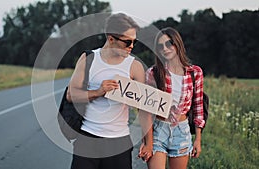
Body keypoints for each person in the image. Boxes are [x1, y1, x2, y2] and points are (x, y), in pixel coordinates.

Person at [67, 13, 147, 169]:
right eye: (127, 42)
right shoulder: (88, 58)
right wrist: (98, 92)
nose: (131, 46)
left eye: (134, 42)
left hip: (119, 142)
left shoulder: (134, 66)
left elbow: (144, 107)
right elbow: (71, 95)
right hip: (88, 138)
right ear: (111, 39)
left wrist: (148, 142)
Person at [138, 27, 205, 169]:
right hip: (158, 130)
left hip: (181, 131)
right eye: (160, 46)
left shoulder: (195, 73)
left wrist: (198, 140)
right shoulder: (153, 73)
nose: (165, 49)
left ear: (177, 43)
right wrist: (147, 142)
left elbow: (198, 108)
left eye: (169, 44)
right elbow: (146, 111)